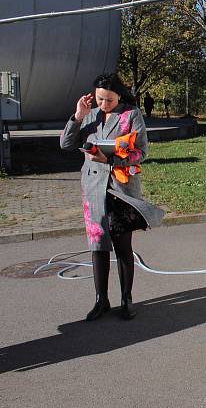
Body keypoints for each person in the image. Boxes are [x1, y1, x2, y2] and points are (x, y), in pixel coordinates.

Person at [60, 73, 164, 321]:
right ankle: (101, 300)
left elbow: (142, 152)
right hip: (93, 188)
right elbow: (65, 144)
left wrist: (114, 158)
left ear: (119, 95)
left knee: (122, 246)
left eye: (108, 99)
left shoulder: (131, 115)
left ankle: (126, 299)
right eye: (99, 99)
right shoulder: (90, 116)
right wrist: (78, 116)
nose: (103, 104)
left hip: (120, 189)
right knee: (98, 245)